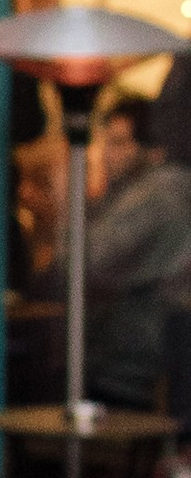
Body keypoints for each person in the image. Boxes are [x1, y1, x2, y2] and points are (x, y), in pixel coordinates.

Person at [75, 89, 191, 410]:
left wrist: (69, 202)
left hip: (131, 362)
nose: (107, 154)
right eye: (105, 143)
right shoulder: (145, 192)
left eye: (119, 143)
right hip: (151, 355)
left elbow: (82, 263)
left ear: (151, 149)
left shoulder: (155, 196)